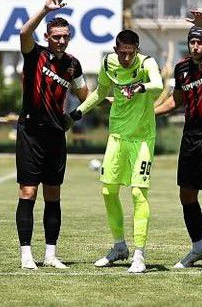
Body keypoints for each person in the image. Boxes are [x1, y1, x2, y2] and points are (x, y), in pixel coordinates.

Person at [70, 29, 163, 274]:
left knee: (137, 194)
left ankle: (139, 255)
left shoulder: (146, 64)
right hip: (117, 137)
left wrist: (141, 87)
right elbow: (100, 92)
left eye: (130, 54)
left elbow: (158, 86)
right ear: (115, 50)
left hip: (142, 139)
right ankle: (119, 246)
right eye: (122, 53)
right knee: (107, 190)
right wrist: (78, 112)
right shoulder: (108, 63)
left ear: (137, 50)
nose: (126, 59)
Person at [15, 0, 88, 270]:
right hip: (30, 132)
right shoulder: (35, 56)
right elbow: (24, 32)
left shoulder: (72, 64)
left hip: (56, 136)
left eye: (64, 36)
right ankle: (26, 255)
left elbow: (85, 95)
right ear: (47, 37)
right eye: (55, 36)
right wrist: (45, 10)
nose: (60, 40)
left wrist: (85, 110)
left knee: (53, 196)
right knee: (28, 193)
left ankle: (50, 254)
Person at [153, 11, 202, 274]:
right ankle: (198, 246)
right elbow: (176, 100)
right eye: (192, 42)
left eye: (200, 42)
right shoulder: (181, 68)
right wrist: (147, 112)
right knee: (186, 193)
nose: (195, 46)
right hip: (191, 138)